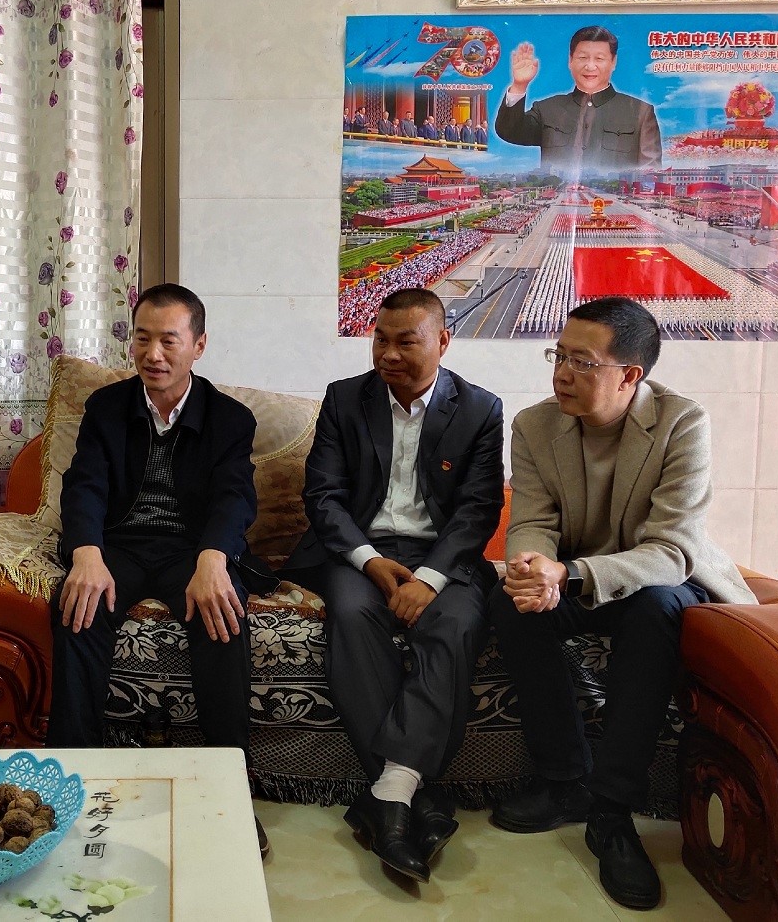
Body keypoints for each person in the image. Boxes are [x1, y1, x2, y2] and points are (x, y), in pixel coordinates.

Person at [488, 297, 755, 910]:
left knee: (656, 610)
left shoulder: (682, 422)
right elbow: (533, 520)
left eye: (581, 362)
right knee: (509, 603)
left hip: (653, 577)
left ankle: (612, 811)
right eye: (558, 356)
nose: (561, 373)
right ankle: (563, 780)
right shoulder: (534, 425)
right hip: (573, 575)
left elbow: (672, 549)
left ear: (630, 374)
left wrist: (570, 572)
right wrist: (531, 568)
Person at [284, 288, 504, 883]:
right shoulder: (344, 399)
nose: (388, 354)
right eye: (380, 339)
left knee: (456, 623)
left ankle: (387, 795)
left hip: (441, 556)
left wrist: (429, 579)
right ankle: (414, 796)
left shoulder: (479, 409)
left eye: (407, 342)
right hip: (359, 551)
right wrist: (369, 560)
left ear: (442, 342)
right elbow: (323, 497)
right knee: (353, 615)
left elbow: (478, 510)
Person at [45, 283, 272, 856]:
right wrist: (86, 553)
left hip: (191, 550)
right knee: (75, 606)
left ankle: (229, 786)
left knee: (223, 613)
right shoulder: (106, 407)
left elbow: (233, 496)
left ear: (199, 345)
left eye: (169, 341)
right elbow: (85, 485)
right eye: (142, 339)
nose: (153, 354)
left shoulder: (230, 418)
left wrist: (215, 558)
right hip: (119, 545)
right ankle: (70, 780)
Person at [494, 26, 661, 173]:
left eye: (599, 58)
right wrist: (519, 85)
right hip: (559, 198)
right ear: (570, 61)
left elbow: (651, 171)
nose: (590, 66)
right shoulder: (547, 109)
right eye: (582, 57)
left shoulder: (640, 112)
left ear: (613, 62)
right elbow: (510, 132)